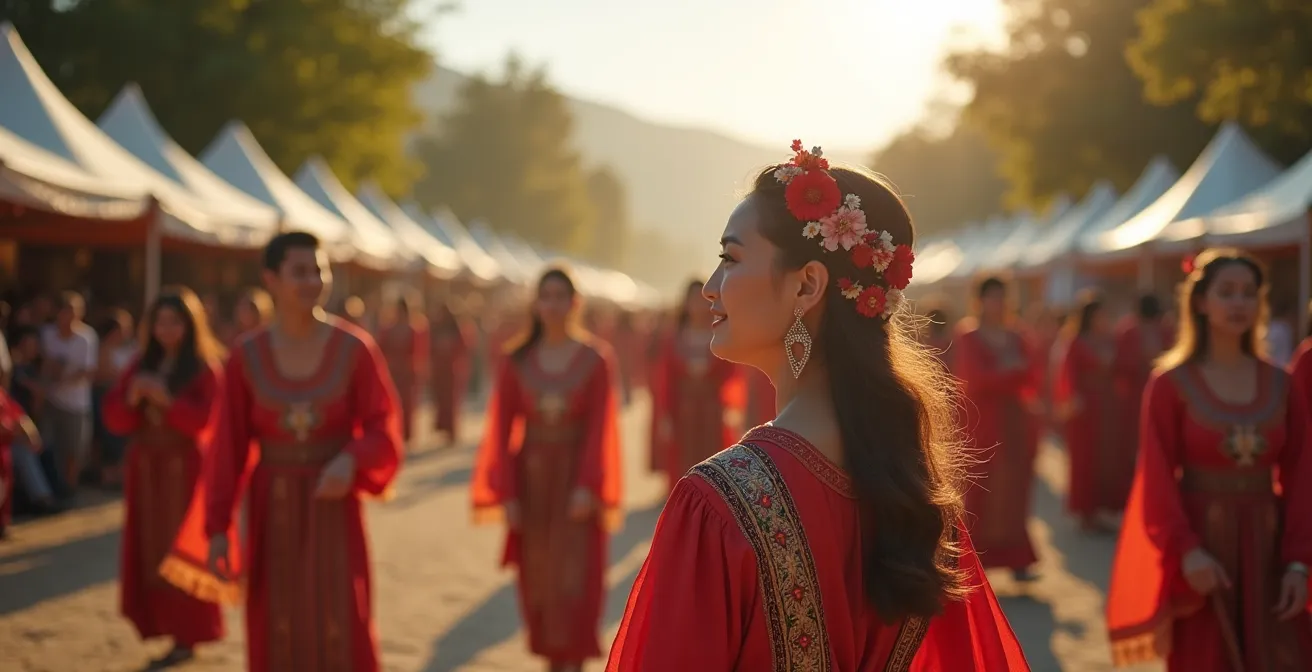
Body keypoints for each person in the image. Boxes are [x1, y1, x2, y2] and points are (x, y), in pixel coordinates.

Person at [607, 142, 1027, 669]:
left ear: (807, 284)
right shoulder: (912, 490)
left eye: (730, 259)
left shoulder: (720, 502)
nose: (710, 289)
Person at [163, 231, 403, 672]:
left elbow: (384, 428)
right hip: (271, 509)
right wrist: (218, 529)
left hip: (335, 506)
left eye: (319, 271)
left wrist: (351, 458)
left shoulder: (355, 349)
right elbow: (227, 449)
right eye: (300, 272)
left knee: (341, 616)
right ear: (271, 279)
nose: (312, 281)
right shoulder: (246, 356)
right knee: (276, 619)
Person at [1107, 248, 1312, 670]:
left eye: (1249, 293)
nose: (1239, 302)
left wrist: (1299, 562)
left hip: (1270, 549)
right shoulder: (1169, 384)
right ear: (1201, 302)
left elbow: (1303, 477)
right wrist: (1187, 552)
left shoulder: (1283, 384)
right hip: (1202, 550)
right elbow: (1157, 480)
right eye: (1227, 292)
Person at [471, 267, 623, 672]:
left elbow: (600, 429)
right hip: (532, 483)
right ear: (536, 305)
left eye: (561, 297)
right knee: (539, 577)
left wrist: (588, 484)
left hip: (577, 483)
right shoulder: (517, 360)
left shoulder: (595, 360)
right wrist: (506, 493)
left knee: (576, 575)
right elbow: (500, 432)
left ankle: (573, 662)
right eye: (546, 296)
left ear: (575, 303)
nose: (553, 305)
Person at [102, 288, 226, 668]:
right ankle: (161, 624)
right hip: (146, 470)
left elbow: (206, 421)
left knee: (183, 549)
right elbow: (115, 419)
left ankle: (187, 633)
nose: (166, 330)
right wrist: (132, 398)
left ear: (190, 325)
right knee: (149, 548)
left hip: (185, 470)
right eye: (160, 322)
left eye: (175, 322)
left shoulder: (205, 368)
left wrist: (166, 400)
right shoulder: (141, 364)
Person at [955, 276, 1043, 581]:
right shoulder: (969, 335)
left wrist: (1007, 375)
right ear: (979, 301)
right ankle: (974, 565)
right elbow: (974, 379)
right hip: (984, 422)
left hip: (1015, 422)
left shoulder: (1017, 335)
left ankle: (1018, 560)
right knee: (982, 490)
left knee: (1015, 488)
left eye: (1002, 297)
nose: (998, 303)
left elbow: (1032, 374)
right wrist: (1009, 374)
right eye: (992, 297)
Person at [652, 280, 744, 490]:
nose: (698, 305)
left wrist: (731, 406)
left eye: (703, 300)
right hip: (683, 412)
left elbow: (732, 373)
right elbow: (665, 380)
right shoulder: (673, 338)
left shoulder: (721, 334)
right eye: (693, 299)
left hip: (712, 411)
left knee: (713, 458)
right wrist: (665, 414)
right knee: (682, 460)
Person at [1055, 290, 1124, 528]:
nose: (1102, 319)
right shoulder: (1076, 341)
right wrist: (1071, 398)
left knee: (1107, 456)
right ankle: (1086, 511)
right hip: (1084, 409)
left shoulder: (1109, 340)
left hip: (1107, 406)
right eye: (1098, 315)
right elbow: (1067, 372)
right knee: (1086, 458)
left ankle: (1104, 508)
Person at [39, 291, 98, 497]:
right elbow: (42, 361)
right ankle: (51, 488)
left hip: (77, 404)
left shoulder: (87, 337)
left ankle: (69, 490)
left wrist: (61, 379)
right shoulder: (46, 334)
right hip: (50, 401)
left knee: (74, 450)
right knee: (48, 446)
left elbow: (88, 371)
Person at [94, 310, 137, 488]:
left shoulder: (131, 349)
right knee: (108, 439)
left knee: (123, 440)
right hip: (105, 398)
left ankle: (120, 476)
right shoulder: (102, 349)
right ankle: (108, 477)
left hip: (125, 401)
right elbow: (101, 375)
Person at [378, 291, 428, 444]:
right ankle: (394, 432)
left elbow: (419, 352)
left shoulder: (413, 329)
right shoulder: (388, 329)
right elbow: (380, 349)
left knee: (407, 403)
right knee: (392, 401)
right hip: (392, 371)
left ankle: (406, 434)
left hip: (407, 371)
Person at [429, 301, 471, 446]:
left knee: (451, 401)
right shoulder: (436, 328)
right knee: (441, 400)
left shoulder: (455, 329)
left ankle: (452, 431)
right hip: (440, 369)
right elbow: (429, 346)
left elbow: (463, 346)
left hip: (452, 369)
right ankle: (443, 428)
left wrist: (448, 348)